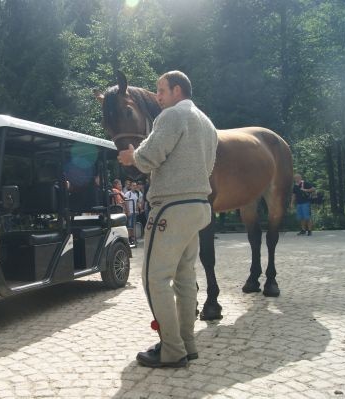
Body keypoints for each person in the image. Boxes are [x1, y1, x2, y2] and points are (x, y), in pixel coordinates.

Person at [118, 70, 217, 368]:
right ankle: (187, 343)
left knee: (154, 277)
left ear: (177, 90)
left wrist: (132, 156)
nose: (157, 97)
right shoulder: (207, 123)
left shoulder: (172, 116)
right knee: (185, 278)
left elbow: (150, 156)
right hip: (198, 207)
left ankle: (172, 349)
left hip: (170, 207)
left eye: (161, 90)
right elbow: (209, 166)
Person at [124, 181, 141, 245]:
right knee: (129, 226)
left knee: (133, 225)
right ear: (131, 186)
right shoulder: (128, 193)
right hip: (130, 212)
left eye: (135, 185)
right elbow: (126, 202)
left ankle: (133, 238)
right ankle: (130, 239)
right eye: (133, 185)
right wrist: (128, 211)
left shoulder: (136, 194)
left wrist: (137, 210)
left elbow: (137, 202)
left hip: (134, 212)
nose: (134, 186)